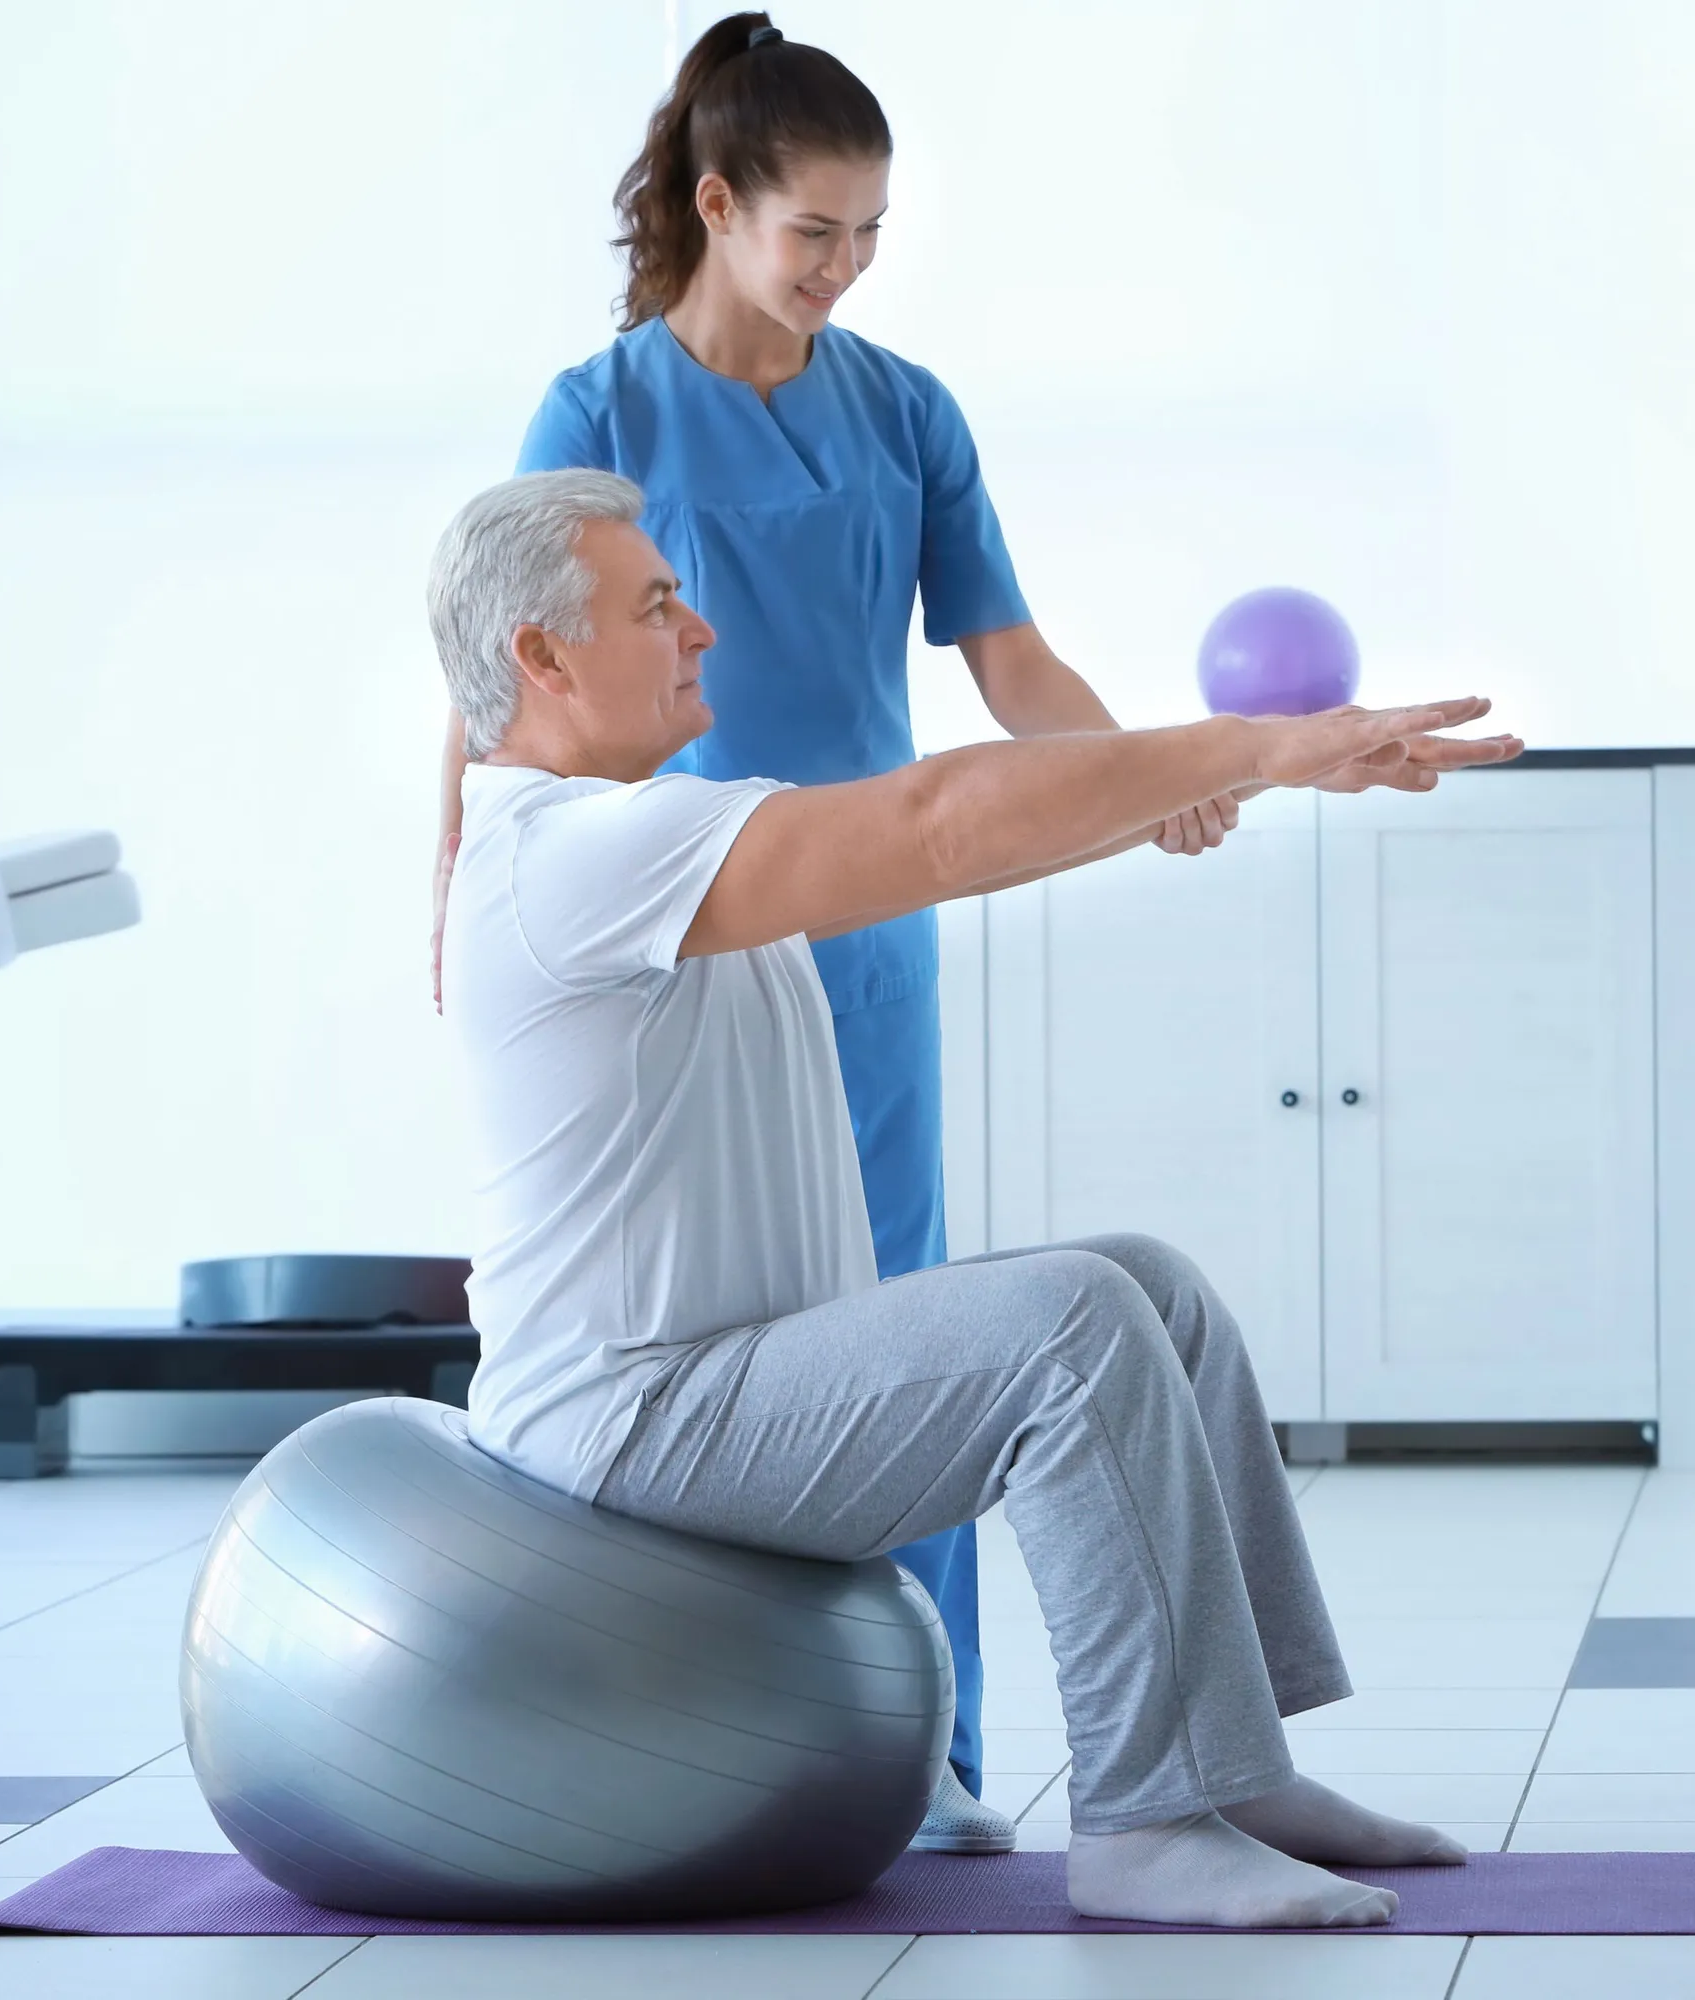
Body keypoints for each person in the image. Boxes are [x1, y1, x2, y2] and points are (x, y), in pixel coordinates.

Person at [429, 468, 1519, 1926]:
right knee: (1070, 1323)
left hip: (729, 1378)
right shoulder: (563, 857)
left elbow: (961, 851)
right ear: (542, 658)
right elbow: (938, 820)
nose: (699, 629)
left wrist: (1228, 777)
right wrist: (1258, 742)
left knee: (1150, 1289)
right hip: (630, 1421)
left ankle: (1236, 1770)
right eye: (655, 603)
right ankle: (1144, 1821)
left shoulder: (644, 835)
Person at [430, 11, 1237, 1853]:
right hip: (671, 921)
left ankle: (928, 1756)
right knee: (728, 1335)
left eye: (870, 236)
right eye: (813, 234)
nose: (842, 271)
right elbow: (496, 666)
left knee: (907, 1322)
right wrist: (452, 893)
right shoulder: (604, 412)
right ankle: (719, 1724)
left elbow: (1007, 659)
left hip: (865, 924)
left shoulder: (905, 410)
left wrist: (1134, 774)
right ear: (716, 208)